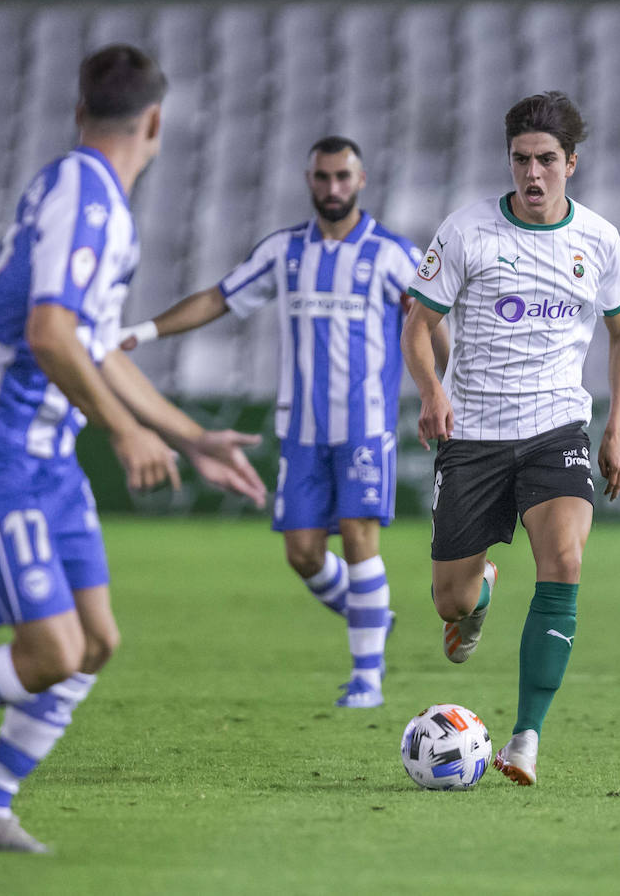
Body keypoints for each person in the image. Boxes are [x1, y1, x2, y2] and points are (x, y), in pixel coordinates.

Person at [0, 44, 267, 853]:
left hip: (41, 449)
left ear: (82, 113)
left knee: (96, 642)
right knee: (52, 651)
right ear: (155, 121)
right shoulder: (91, 201)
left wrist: (190, 437)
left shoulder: (81, 188)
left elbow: (95, 344)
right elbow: (50, 336)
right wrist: (124, 430)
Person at [119, 136, 443, 709]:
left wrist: (441, 388)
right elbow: (219, 297)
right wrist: (143, 332)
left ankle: (367, 678)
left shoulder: (393, 254)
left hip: (364, 424)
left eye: (343, 176)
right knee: (302, 553)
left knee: (360, 537)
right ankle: (372, 615)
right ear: (309, 179)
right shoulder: (284, 252)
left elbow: (433, 321)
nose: (333, 188)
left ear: (361, 180)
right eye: (322, 177)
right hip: (302, 428)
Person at [401, 91, 620, 786]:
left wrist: (617, 426)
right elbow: (418, 326)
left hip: (556, 427)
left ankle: (525, 737)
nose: (532, 174)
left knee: (565, 559)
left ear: (572, 163)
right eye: (520, 160)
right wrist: (432, 392)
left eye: (545, 161)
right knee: (450, 599)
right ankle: (478, 596)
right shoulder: (468, 232)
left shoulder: (597, 240)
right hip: (472, 432)